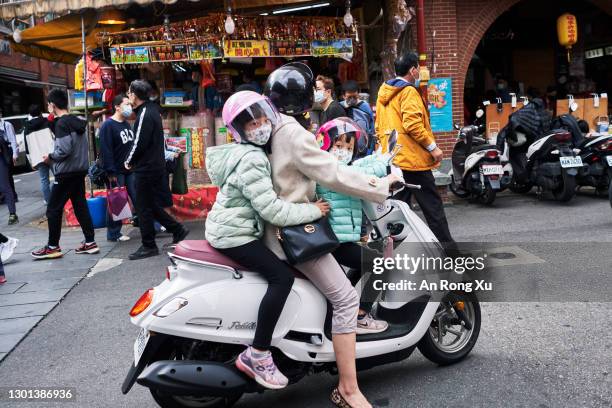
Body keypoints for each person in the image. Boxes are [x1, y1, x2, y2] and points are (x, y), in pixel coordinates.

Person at [264, 62, 401, 408]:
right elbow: (334, 173)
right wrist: (380, 185)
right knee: (345, 299)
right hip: (295, 231)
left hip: (273, 226)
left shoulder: (268, 127)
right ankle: (348, 389)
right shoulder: (293, 133)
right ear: (305, 97)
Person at [206, 91, 329, 389]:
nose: (260, 127)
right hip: (234, 234)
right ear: (239, 131)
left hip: (228, 227)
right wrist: (311, 210)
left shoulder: (244, 151)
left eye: (263, 120)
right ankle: (258, 353)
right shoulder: (252, 159)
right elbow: (271, 210)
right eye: (252, 125)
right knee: (281, 278)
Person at [316, 117, 389, 334]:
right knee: (381, 265)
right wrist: (384, 165)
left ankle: (352, 310)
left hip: (340, 239)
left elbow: (359, 164)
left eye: (349, 147)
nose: (344, 151)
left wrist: (381, 155)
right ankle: (361, 314)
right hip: (334, 241)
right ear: (325, 144)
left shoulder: (339, 168)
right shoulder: (330, 170)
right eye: (338, 146)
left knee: (362, 264)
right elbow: (362, 173)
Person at [375, 52, 455, 246]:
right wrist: (433, 147)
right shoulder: (408, 91)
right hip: (412, 160)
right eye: (418, 69)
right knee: (433, 208)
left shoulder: (383, 91)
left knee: (395, 212)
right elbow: (413, 125)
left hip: (393, 159)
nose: (420, 72)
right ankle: (450, 254)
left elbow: (378, 126)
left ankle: (389, 252)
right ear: (412, 70)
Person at [124, 80, 189, 260]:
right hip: (153, 166)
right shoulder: (150, 110)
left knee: (143, 207)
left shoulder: (145, 113)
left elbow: (139, 143)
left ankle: (149, 245)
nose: (128, 96)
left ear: (135, 96)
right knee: (150, 204)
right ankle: (177, 229)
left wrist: (128, 161)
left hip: (146, 168)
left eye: (129, 93)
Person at [32, 89, 99, 259]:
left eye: (48, 104)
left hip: (65, 173)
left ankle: (53, 246)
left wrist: (50, 157)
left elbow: (64, 149)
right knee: (80, 205)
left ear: (53, 105)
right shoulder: (77, 120)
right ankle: (90, 242)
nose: (48, 107)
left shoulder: (62, 124)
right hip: (79, 170)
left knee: (53, 209)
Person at [99, 94, 135, 242]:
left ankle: (145, 223)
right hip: (116, 171)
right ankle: (114, 233)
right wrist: (111, 171)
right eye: (126, 104)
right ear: (117, 107)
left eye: (130, 104)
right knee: (117, 201)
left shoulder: (126, 124)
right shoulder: (108, 125)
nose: (129, 107)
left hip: (130, 169)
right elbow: (106, 150)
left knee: (137, 196)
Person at [24, 104, 54, 204]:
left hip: (38, 157)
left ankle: (48, 200)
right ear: (40, 112)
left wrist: (30, 160)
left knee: (44, 180)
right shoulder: (46, 122)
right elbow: (54, 136)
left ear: (30, 114)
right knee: (59, 176)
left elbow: (27, 147)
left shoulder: (27, 128)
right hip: (51, 154)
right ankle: (58, 197)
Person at [340, 80, 375, 157]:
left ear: (358, 94)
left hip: (363, 153)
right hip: (344, 152)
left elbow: (371, 131)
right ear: (343, 96)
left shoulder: (365, 107)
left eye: (355, 97)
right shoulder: (340, 107)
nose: (352, 99)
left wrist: (369, 151)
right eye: (349, 97)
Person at [0, 108, 18, 203]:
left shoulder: (7, 125)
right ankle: (4, 196)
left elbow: (13, 140)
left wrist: (15, 154)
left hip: (6, 151)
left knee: (8, 175)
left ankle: (13, 196)